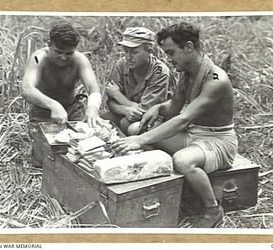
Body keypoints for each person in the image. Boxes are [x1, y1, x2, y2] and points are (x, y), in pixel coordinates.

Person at [111, 22, 238, 228]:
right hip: (194, 134)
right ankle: (171, 190)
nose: (169, 60)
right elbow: (174, 109)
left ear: (189, 47)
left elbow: (183, 119)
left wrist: (140, 140)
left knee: (182, 160)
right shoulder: (187, 73)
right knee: (136, 128)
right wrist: (159, 108)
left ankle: (213, 210)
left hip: (218, 140)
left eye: (171, 53)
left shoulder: (216, 78)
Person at [21, 21, 102, 167]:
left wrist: (92, 108)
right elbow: (27, 89)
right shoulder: (38, 58)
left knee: (83, 153)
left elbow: (94, 89)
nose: (63, 58)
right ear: (49, 44)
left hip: (72, 110)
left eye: (68, 53)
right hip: (42, 112)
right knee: (44, 161)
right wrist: (53, 105)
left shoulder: (80, 60)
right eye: (58, 52)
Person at [103, 27, 176, 135]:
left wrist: (117, 95)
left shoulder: (160, 72)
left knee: (129, 125)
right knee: (102, 121)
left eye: (134, 52)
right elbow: (110, 102)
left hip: (155, 121)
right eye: (126, 51)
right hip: (125, 114)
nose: (128, 57)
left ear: (149, 51)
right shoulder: (122, 64)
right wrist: (124, 110)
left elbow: (145, 112)